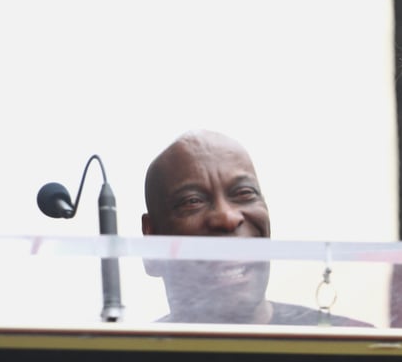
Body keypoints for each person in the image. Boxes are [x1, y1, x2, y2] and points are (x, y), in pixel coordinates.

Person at [142, 130, 366, 327]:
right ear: (151, 241)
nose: (227, 218)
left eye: (244, 193)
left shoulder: (356, 352)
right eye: (192, 201)